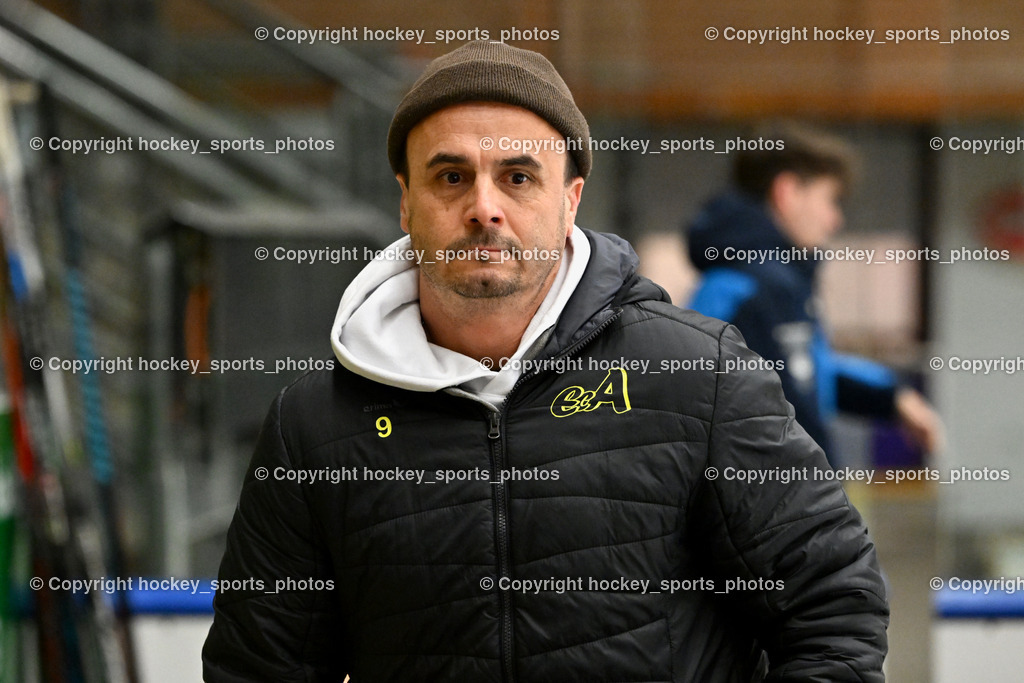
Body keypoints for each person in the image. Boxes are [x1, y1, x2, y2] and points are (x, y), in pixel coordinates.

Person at [202, 42, 888, 682]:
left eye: (518, 176)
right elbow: (256, 666)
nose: (484, 208)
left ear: (570, 200)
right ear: (405, 200)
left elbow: (834, 603)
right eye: (450, 176)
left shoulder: (696, 374)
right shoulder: (313, 425)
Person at [686, 123, 942, 461]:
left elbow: (805, 372)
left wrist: (891, 397)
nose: (834, 220)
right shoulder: (748, 290)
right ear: (789, 192)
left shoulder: (772, 282)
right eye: (829, 199)